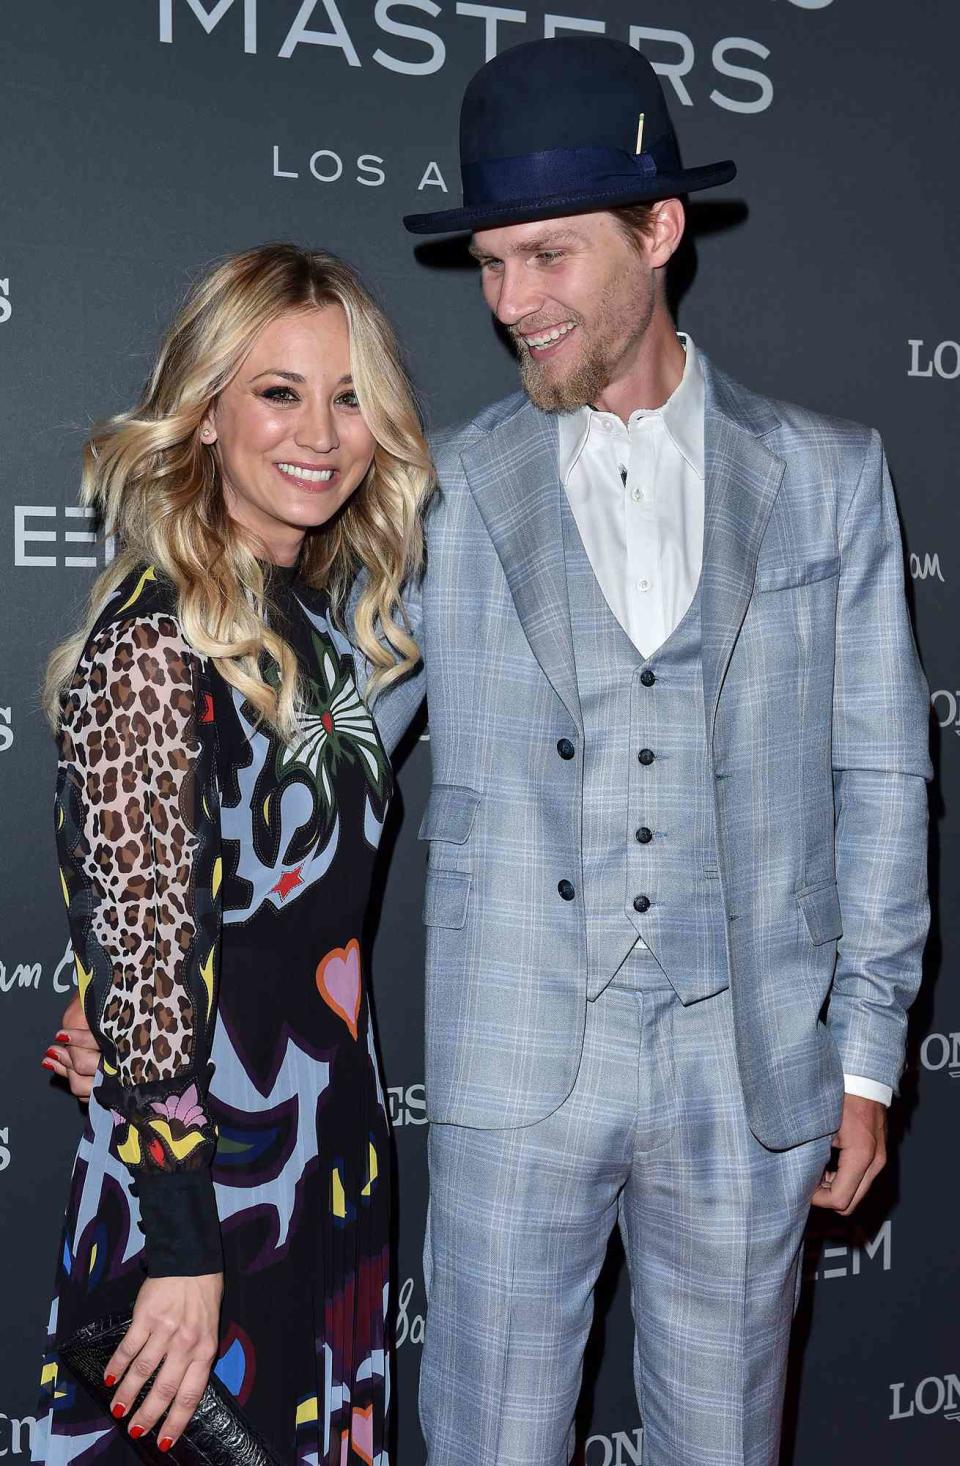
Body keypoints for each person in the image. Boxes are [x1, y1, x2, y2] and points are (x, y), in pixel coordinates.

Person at [50, 35, 933, 1466]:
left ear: (658, 231)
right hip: (518, 1070)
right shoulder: (438, 494)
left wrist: (873, 1060)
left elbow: (886, 782)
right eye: (491, 262)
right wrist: (125, 969)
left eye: (545, 257)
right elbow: (297, 752)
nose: (508, 303)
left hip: (751, 1071)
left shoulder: (829, 477)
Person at [35, 242, 432, 1464]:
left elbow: (209, 923)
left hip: (331, 1153)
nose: (321, 430)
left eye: (351, 393)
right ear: (206, 411)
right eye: (279, 390)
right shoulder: (152, 649)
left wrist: (112, 975)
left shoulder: (319, 621)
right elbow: (152, 981)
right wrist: (185, 1249)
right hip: (206, 1185)